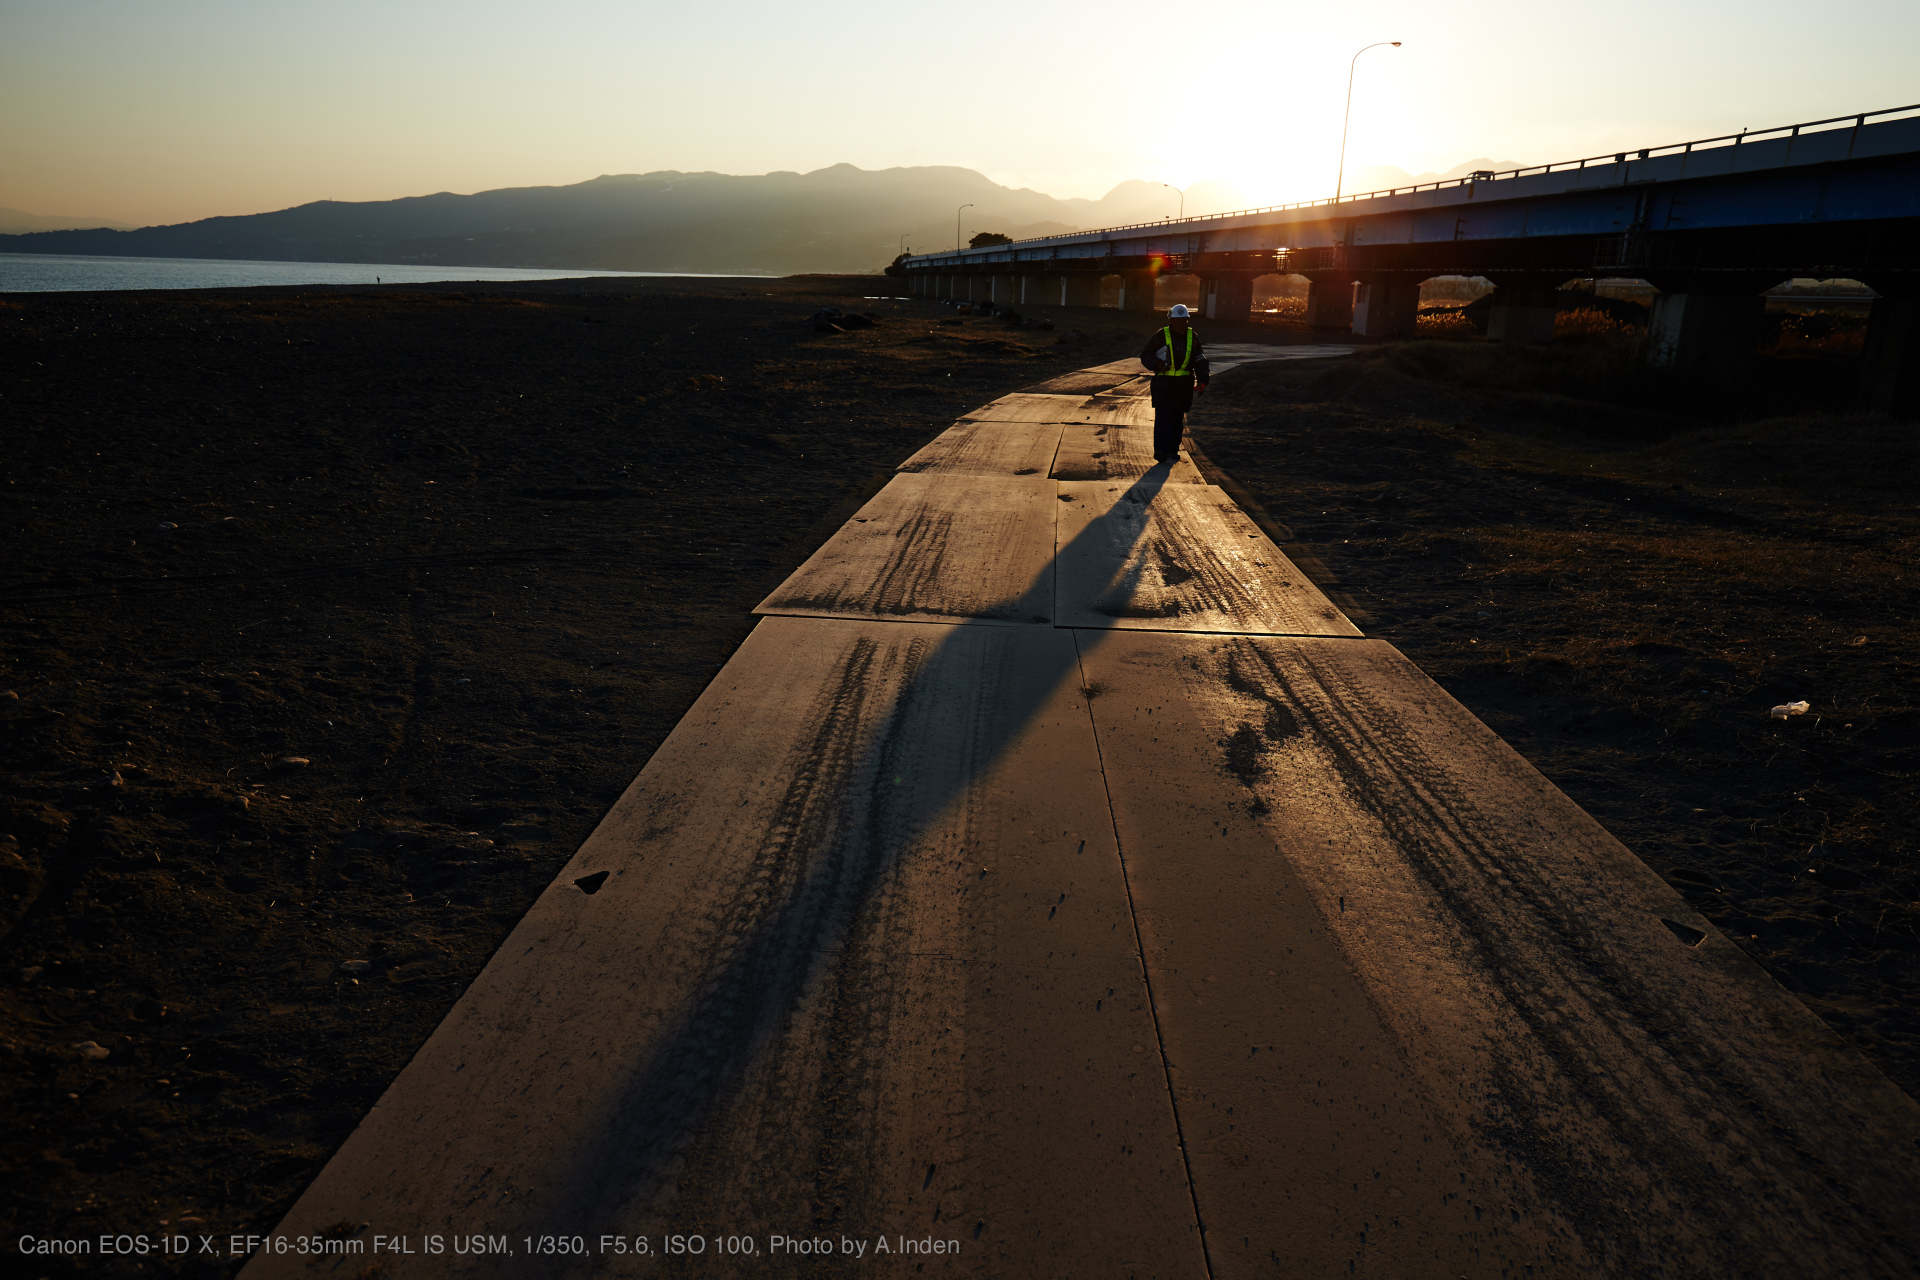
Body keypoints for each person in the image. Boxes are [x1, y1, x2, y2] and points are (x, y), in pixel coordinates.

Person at [1138, 303, 1210, 463]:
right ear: (1171, 321)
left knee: (1177, 419)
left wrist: (1203, 380)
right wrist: (1156, 364)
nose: (1181, 324)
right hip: (1163, 384)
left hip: (1183, 386)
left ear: (1187, 321)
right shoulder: (1160, 336)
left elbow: (1200, 361)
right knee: (1163, 417)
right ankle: (1160, 450)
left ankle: (1172, 449)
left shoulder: (1193, 338)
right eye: (1178, 321)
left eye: (1184, 321)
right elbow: (1145, 355)